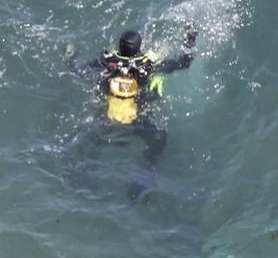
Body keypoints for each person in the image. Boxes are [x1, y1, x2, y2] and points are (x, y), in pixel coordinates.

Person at [65, 26, 196, 195]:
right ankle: (142, 176)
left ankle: (85, 179)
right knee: (159, 141)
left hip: (107, 116)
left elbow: (78, 71)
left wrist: (70, 56)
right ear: (139, 48)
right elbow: (184, 63)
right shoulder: (147, 67)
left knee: (94, 141)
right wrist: (190, 39)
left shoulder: (107, 62)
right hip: (137, 120)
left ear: (119, 47)